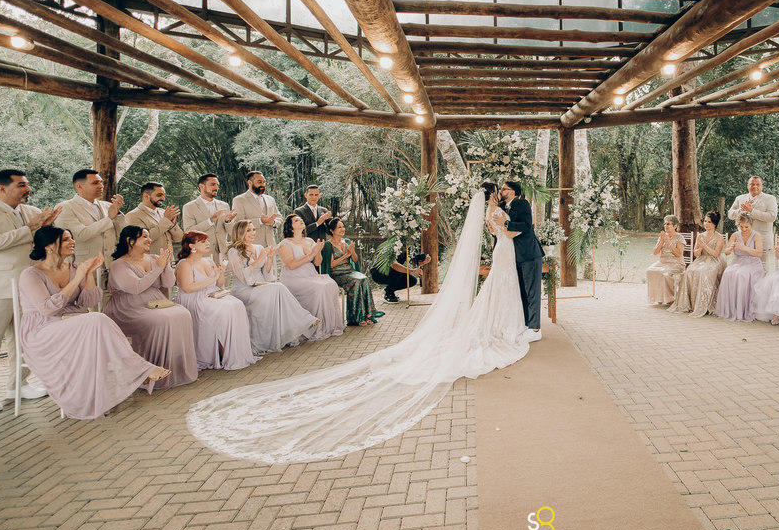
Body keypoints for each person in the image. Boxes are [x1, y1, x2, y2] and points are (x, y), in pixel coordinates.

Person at [186, 182, 530, 463]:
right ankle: (503, 326)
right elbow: (507, 231)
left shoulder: (491, 211)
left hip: (502, 251)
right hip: (505, 250)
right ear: (494, 196)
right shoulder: (498, 211)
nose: (502, 192)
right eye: (498, 191)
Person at [17, 226, 168, 418]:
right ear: (48, 246)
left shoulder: (74, 268)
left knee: (96, 323)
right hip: (42, 330)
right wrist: (78, 277)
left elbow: (89, 302)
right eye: (65, 240)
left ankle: (113, 386)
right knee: (96, 319)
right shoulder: (30, 275)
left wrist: (87, 275)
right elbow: (47, 309)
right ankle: (138, 370)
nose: (72, 242)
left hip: (74, 322)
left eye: (72, 238)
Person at [0, 169, 61, 414]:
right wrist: (31, 227)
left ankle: (19, 384)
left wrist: (48, 227)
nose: (27, 189)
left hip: (28, 287)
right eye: (21, 185)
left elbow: (41, 245)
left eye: (27, 184)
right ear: (2, 188)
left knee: (24, 340)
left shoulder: (32, 212)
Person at [104, 226, 197, 389]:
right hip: (127, 307)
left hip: (156, 301)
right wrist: (158, 268)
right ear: (130, 241)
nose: (149, 240)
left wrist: (166, 264)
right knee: (161, 320)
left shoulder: (154, 258)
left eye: (148, 236)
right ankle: (148, 371)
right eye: (144, 237)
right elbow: (136, 287)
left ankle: (176, 368)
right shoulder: (119, 265)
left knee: (183, 313)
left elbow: (169, 283)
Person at [227, 220, 319, 353]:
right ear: (240, 233)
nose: (253, 233)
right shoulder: (234, 251)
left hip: (261, 286)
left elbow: (266, 274)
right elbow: (243, 277)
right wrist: (259, 260)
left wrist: (269, 258)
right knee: (278, 288)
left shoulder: (258, 247)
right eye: (248, 230)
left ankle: (289, 332)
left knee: (277, 288)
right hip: (244, 290)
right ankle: (302, 320)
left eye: (253, 229)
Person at [175, 231, 259, 371]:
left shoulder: (208, 260)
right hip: (195, 298)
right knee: (226, 309)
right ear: (191, 246)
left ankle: (235, 353)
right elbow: (187, 287)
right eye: (203, 242)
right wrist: (213, 279)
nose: (208, 244)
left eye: (207, 241)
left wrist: (221, 273)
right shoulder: (185, 264)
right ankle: (220, 352)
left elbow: (218, 284)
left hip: (212, 294)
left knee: (236, 304)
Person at [277, 215, 346, 339]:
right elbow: (291, 265)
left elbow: (317, 263)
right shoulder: (285, 243)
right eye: (296, 221)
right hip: (293, 278)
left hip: (310, 274)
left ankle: (327, 326)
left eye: (301, 219)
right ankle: (314, 327)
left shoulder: (309, 240)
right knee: (318, 288)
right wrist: (311, 255)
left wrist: (318, 251)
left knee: (330, 284)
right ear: (290, 227)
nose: (301, 221)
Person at [54, 169, 124, 269]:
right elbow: (79, 235)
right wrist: (109, 219)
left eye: (101, 182)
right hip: (82, 267)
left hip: (110, 266)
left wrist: (118, 214)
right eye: (95, 183)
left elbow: (122, 234)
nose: (101, 186)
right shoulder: (65, 207)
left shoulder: (108, 206)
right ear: (79, 186)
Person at [501, 180, 544, 341]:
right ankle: (527, 324)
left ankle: (535, 329)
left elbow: (527, 226)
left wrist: (505, 223)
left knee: (532, 292)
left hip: (529, 254)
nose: (501, 191)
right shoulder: (503, 207)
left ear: (512, 192)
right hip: (516, 257)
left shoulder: (522, 203)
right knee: (523, 292)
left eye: (504, 189)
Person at [320, 218, 383, 326]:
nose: (342, 229)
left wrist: (352, 251)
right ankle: (356, 317)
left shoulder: (347, 241)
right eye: (339, 227)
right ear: (332, 230)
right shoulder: (328, 245)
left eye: (343, 226)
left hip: (350, 271)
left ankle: (368, 314)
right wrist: (346, 255)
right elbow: (331, 265)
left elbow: (354, 260)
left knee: (364, 278)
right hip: (337, 274)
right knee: (356, 281)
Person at [669, 212, 727, 318]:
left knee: (704, 273)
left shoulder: (719, 237)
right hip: (701, 259)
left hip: (714, 261)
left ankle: (704, 305)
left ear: (714, 224)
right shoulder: (700, 236)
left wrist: (704, 245)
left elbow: (716, 253)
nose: (706, 224)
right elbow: (695, 253)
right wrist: (699, 248)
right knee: (690, 271)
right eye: (705, 221)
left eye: (709, 222)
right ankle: (689, 304)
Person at [716, 213, 765, 322]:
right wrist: (730, 248)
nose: (743, 229)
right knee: (728, 272)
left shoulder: (757, 235)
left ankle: (743, 310)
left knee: (741, 274)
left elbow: (759, 253)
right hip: (738, 261)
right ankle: (731, 309)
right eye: (741, 227)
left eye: (746, 227)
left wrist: (744, 247)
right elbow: (727, 252)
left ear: (751, 225)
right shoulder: (735, 235)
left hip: (753, 263)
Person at [727, 177, 778, 272]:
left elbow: (772, 217)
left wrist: (752, 211)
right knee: (743, 269)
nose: (755, 186)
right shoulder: (740, 198)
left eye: (757, 184)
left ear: (762, 186)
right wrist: (741, 210)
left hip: (762, 238)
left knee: (762, 269)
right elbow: (730, 214)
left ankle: (761, 287)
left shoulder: (770, 199)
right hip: (743, 240)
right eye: (752, 184)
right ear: (748, 186)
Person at [183, 173, 237, 261]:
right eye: (212, 184)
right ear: (201, 186)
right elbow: (188, 232)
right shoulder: (189, 207)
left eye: (217, 185)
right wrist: (210, 220)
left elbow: (231, 232)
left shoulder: (224, 205)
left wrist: (228, 222)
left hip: (224, 254)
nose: (216, 188)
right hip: (202, 255)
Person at [123, 181, 183, 258]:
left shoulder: (164, 213)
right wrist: (166, 221)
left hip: (169, 262)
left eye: (164, 195)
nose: (163, 198)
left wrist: (173, 224)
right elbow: (141, 240)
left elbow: (179, 238)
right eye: (159, 195)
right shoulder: (132, 216)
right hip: (149, 264)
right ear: (146, 196)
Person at [232, 171, 281, 250]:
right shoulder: (239, 200)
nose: (263, 185)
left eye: (264, 182)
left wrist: (274, 222)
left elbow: (279, 217)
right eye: (259, 182)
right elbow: (238, 223)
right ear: (250, 182)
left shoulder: (270, 199)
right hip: (250, 246)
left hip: (270, 245)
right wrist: (260, 221)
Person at [646, 215, 685, 306]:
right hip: (662, 262)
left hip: (676, 263)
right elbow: (655, 252)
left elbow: (678, 254)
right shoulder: (662, 237)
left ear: (675, 226)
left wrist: (668, 242)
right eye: (665, 224)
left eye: (668, 224)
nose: (666, 226)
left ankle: (670, 298)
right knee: (650, 271)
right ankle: (658, 297)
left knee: (666, 273)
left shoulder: (680, 237)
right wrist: (661, 241)